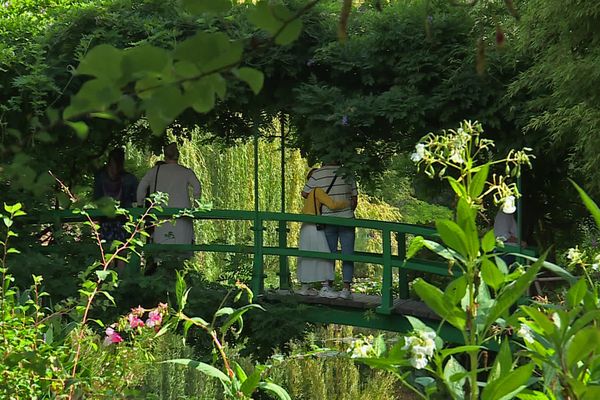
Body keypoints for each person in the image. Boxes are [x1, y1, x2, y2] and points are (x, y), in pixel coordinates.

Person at [302, 162, 358, 299]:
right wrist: (347, 209)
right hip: (347, 218)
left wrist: (320, 195)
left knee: (328, 254)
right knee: (348, 254)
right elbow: (354, 199)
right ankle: (346, 288)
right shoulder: (348, 173)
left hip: (327, 220)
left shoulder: (318, 174)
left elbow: (305, 193)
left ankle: (328, 286)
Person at [136, 143, 201, 249]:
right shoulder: (186, 172)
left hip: (160, 216)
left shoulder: (155, 171)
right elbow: (197, 187)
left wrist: (140, 205)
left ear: (165, 156)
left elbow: (141, 188)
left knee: (161, 249)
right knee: (181, 250)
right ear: (178, 156)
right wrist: (196, 206)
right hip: (182, 217)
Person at [93, 148, 139, 269]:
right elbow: (136, 200)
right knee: (121, 251)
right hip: (122, 220)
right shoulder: (130, 179)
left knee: (108, 252)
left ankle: (108, 282)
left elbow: (97, 199)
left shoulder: (100, 177)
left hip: (106, 220)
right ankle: (120, 281)